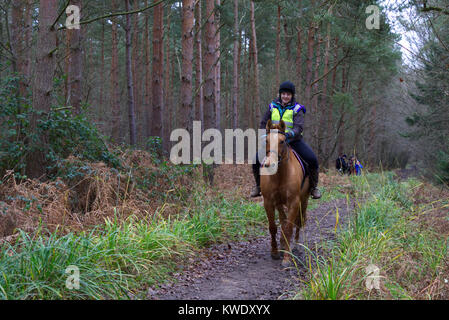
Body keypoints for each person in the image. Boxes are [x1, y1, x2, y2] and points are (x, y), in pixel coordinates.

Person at [250, 81, 321, 199]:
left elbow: (299, 127)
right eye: (283, 94)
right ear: (280, 94)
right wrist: (264, 137)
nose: (285, 96)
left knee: (312, 159)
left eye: (288, 94)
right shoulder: (272, 107)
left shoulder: (297, 109)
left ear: (292, 95)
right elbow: (263, 123)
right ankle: (258, 186)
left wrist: (289, 135)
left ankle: (313, 187)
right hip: (274, 142)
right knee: (256, 160)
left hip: (293, 141)